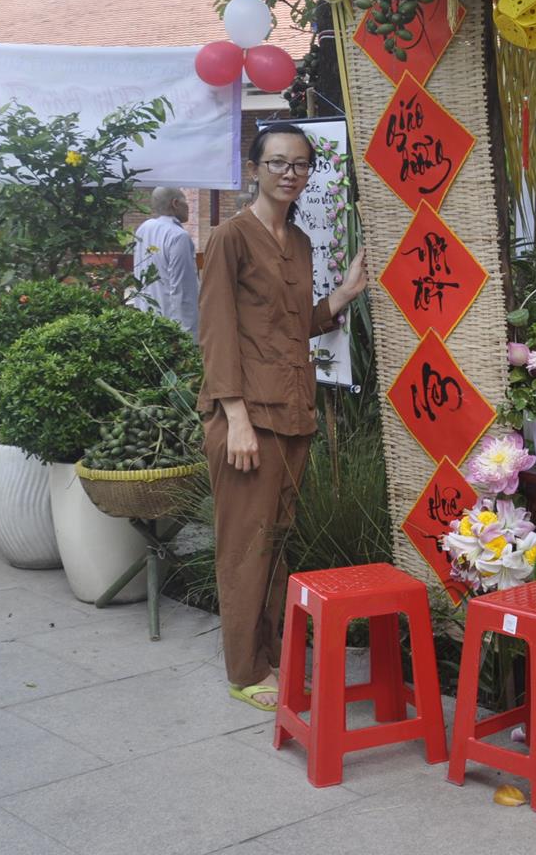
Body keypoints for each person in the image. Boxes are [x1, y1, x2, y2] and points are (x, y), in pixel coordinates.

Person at [198, 123, 367, 710]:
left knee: (275, 543)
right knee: (245, 547)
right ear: (255, 169)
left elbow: (291, 326)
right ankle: (246, 670)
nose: (289, 173)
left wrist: (341, 298)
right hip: (248, 418)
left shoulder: (298, 241)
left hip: (294, 411)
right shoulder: (230, 237)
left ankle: (270, 658)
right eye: (277, 162)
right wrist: (236, 419)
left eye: (299, 164)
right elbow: (217, 332)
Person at [130, 187, 200, 339]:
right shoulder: (178, 236)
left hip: (144, 319)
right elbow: (183, 288)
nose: (188, 207)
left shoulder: (143, 229)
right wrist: (189, 334)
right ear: (175, 203)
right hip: (171, 325)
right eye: (185, 202)